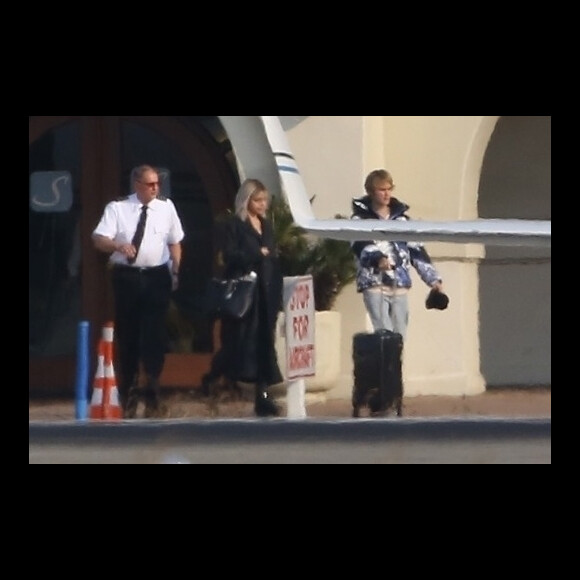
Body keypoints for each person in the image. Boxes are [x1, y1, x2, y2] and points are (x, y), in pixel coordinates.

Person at [92, 165, 185, 419]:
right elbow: (98, 239)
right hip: (129, 278)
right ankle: (130, 390)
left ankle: (153, 388)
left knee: (154, 334)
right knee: (130, 333)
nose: (155, 188)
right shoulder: (119, 208)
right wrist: (118, 245)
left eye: (157, 183)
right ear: (136, 185)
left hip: (156, 276)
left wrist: (175, 270)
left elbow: (174, 241)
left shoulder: (166, 208)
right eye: (150, 184)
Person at [201, 178, 284, 417]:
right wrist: (255, 254)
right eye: (257, 200)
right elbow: (229, 255)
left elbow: (273, 255)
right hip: (245, 291)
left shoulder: (267, 225)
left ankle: (263, 395)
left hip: (266, 292)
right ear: (246, 200)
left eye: (264, 200)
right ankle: (213, 376)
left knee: (264, 343)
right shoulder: (233, 226)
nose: (262, 205)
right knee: (238, 342)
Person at [351, 169, 444, 341]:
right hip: (374, 283)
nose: (386, 194)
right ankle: (385, 365)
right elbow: (360, 244)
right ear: (371, 192)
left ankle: (396, 366)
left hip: (399, 283)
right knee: (383, 332)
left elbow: (416, 251)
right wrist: (378, 259)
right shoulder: (359, 220)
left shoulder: (402, 221)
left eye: (389, 189)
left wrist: (433, 280)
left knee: (400, 334)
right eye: (382, 190)